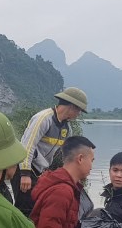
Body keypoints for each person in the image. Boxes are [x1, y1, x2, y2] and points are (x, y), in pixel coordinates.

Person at [12, 87, 88, 215]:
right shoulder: (43, 118)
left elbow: (68, 154)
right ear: (72, 106)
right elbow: (27, 145)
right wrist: (25, 174)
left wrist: (74, 175)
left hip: (40, 171)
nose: (79, 113)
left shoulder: (66, 128)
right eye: (79, 109)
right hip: (24, 169)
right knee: (24, 208)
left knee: (36, 208)